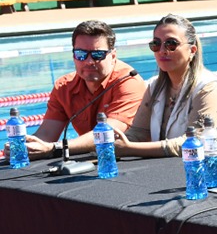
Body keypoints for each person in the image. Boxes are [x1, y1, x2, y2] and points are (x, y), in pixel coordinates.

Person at [114, 13, 217, 163]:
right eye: (156, 44)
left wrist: (130, 149)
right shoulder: (154, 86)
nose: (162, 50)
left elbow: (194, 142)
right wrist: (114, 145)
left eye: (171, 44)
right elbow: (139, 132)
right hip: (170, 166)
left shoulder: (209, 88)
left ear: (192, 50)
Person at [8, 20, 145, 159]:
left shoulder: (128, 81)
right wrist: (24, 146)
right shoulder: (64, 87)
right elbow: (46, 135)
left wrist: (56, 148)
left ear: (113, 56)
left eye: (98, 55)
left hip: (132, 160)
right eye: (81, 54)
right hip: (91, 159)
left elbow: (108, 133)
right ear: (73, 56)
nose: (89, 61)